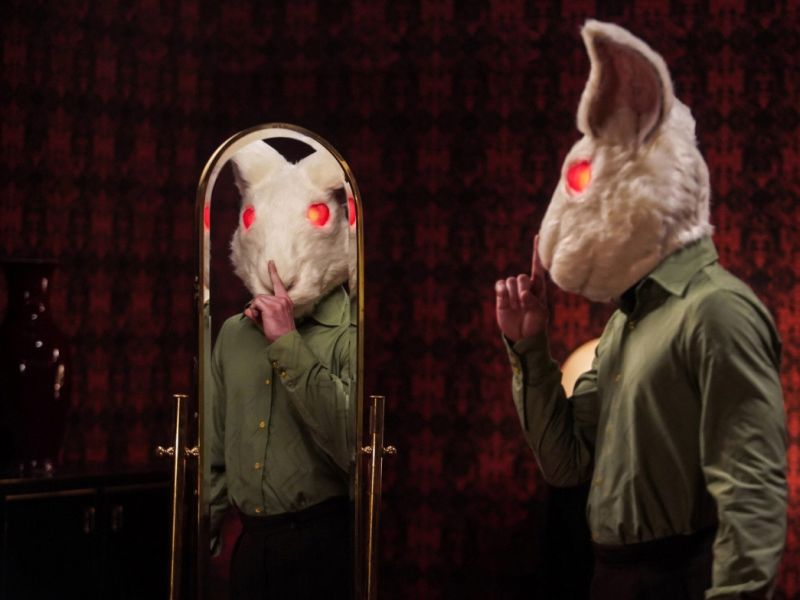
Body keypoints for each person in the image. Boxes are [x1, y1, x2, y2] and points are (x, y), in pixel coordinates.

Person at [495, 20, 787, 600]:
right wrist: (530, 347)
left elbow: (752, 491)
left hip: (679, 579)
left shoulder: (717, 310)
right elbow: (566, 464)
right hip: (611, 576)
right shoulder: (623, 325)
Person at [206, 137, 356, 600]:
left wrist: (289, 343)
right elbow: (215, 445)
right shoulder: (233, 336)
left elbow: (352, 446)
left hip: (321, 545)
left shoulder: (351, 333)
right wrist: (207, 528)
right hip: (251, 544)